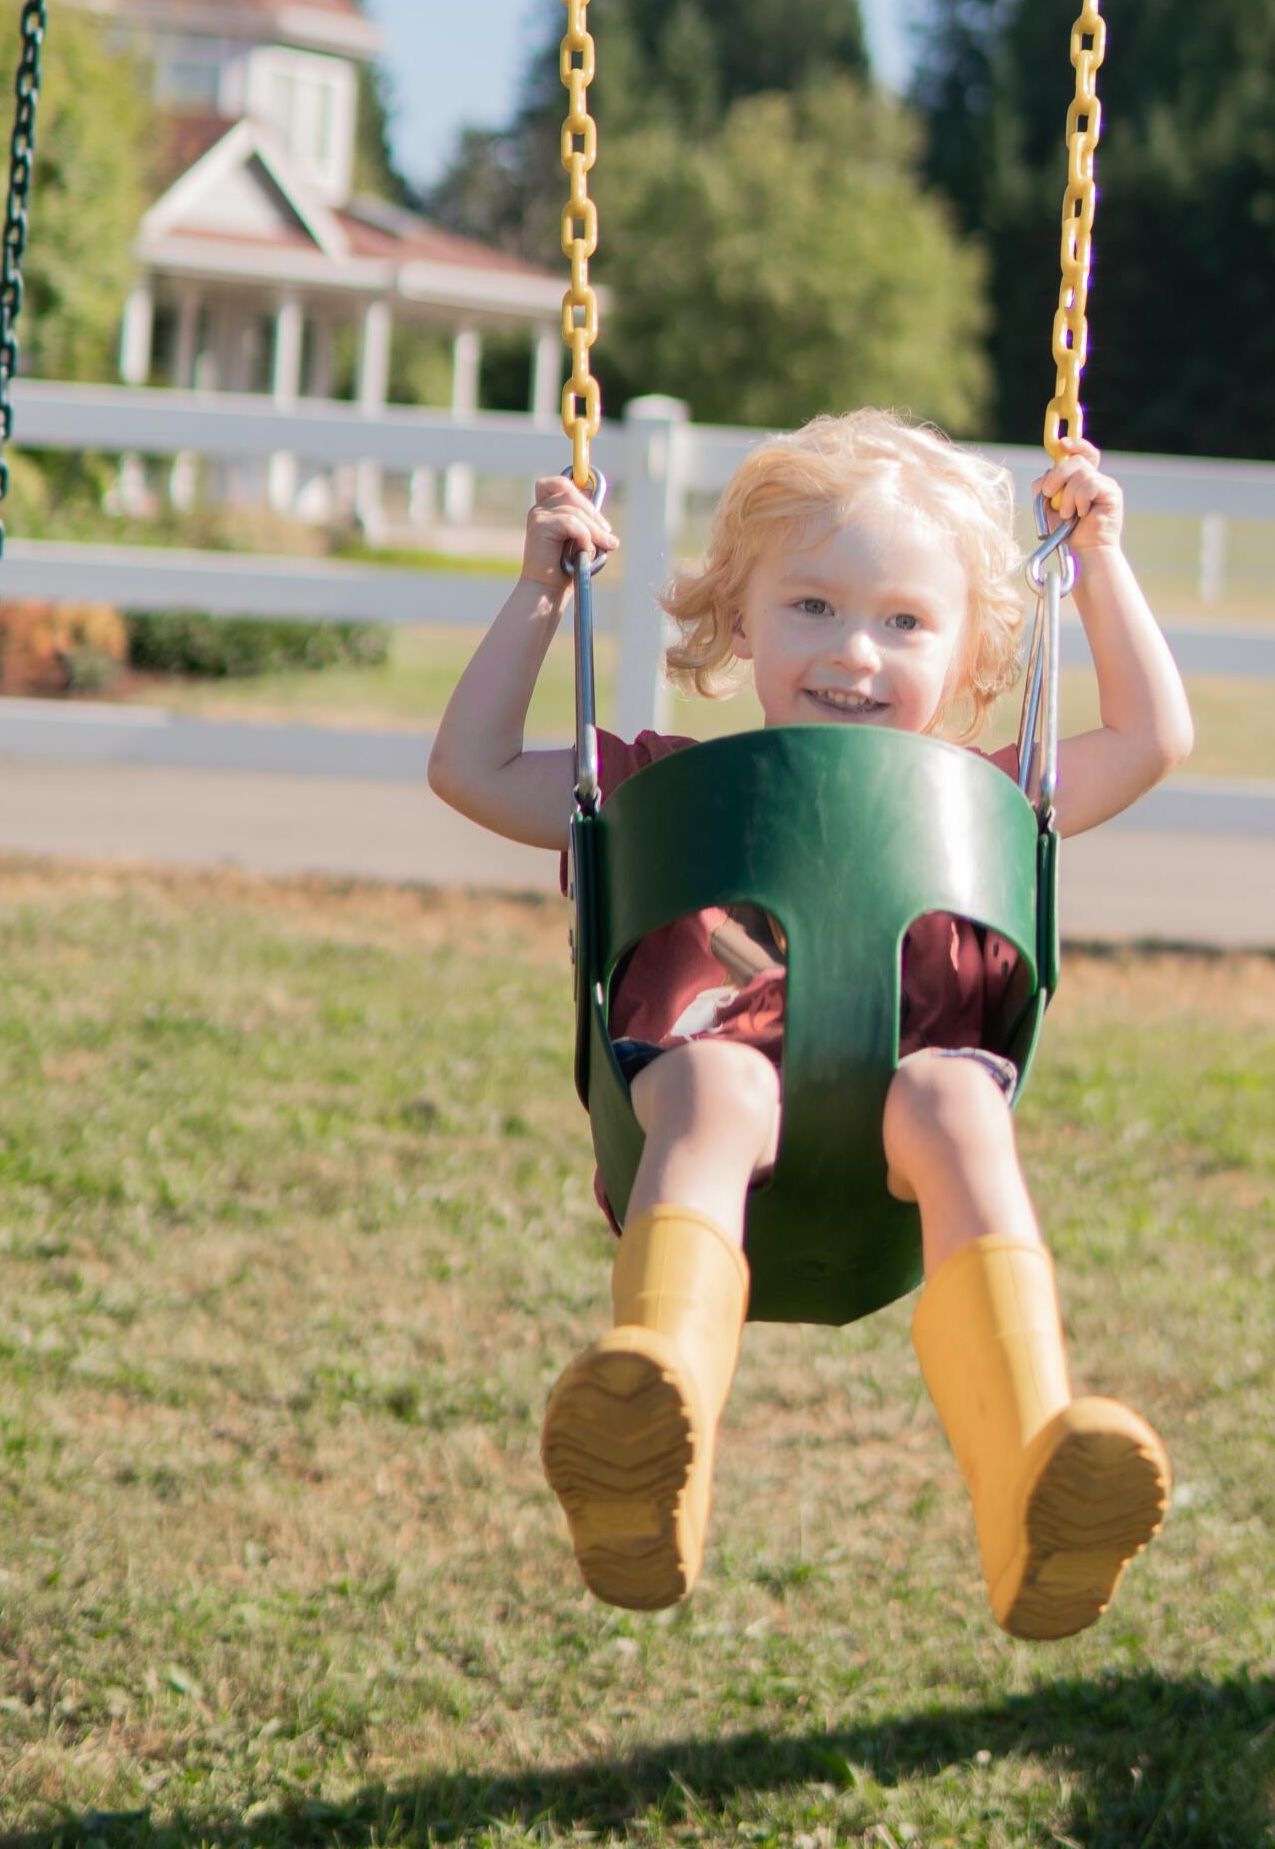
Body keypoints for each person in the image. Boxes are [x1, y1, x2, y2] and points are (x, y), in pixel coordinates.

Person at [428, 408, 1193, 1637]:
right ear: (741, 618)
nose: (855, 651)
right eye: (812, 606)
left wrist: (1098, 563)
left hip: (895, 1147)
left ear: (973, 654)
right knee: (719, 1085)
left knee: (954, 1095)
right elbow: (468, 770)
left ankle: (1033, 1465)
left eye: (905, 620)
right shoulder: (647, 782)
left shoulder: (988, 799)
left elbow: (1154, 739)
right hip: (705, 1128)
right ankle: (653, 1408)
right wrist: (538, 596)